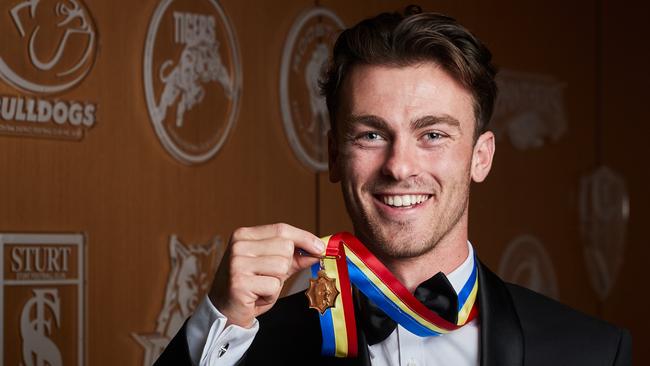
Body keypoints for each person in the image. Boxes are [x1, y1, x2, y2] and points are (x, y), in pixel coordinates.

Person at [156, 6, 632, 365]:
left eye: (433, 134)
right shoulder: (248, 346)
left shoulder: (590, 350)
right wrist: (218, 318)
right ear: (335, 156)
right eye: (371, 134)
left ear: (481, 157)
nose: (400, 166)